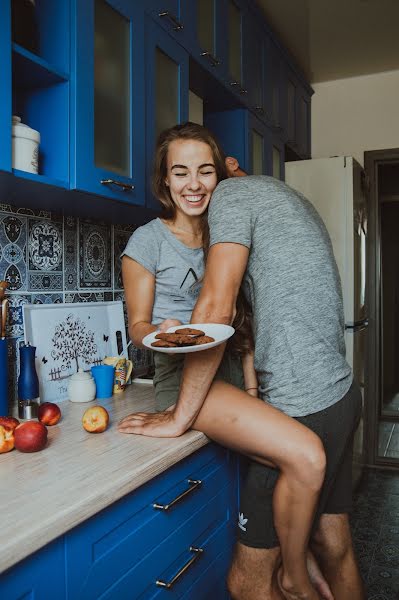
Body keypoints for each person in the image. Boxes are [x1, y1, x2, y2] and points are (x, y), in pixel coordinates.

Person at [119, 122, 332, 599]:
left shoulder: (231, 229)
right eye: (180, 172)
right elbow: (136, 325)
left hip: (237, 374)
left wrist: (254, 386)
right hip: (188, 380)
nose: (193, 184)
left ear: (220, 176)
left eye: (205, 171)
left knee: (293, 462)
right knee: (305, 455)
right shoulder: (146, 242)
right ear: (164, 181)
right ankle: (296, 576)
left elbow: (245, 321)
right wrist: (160, 331)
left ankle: (296, 562)